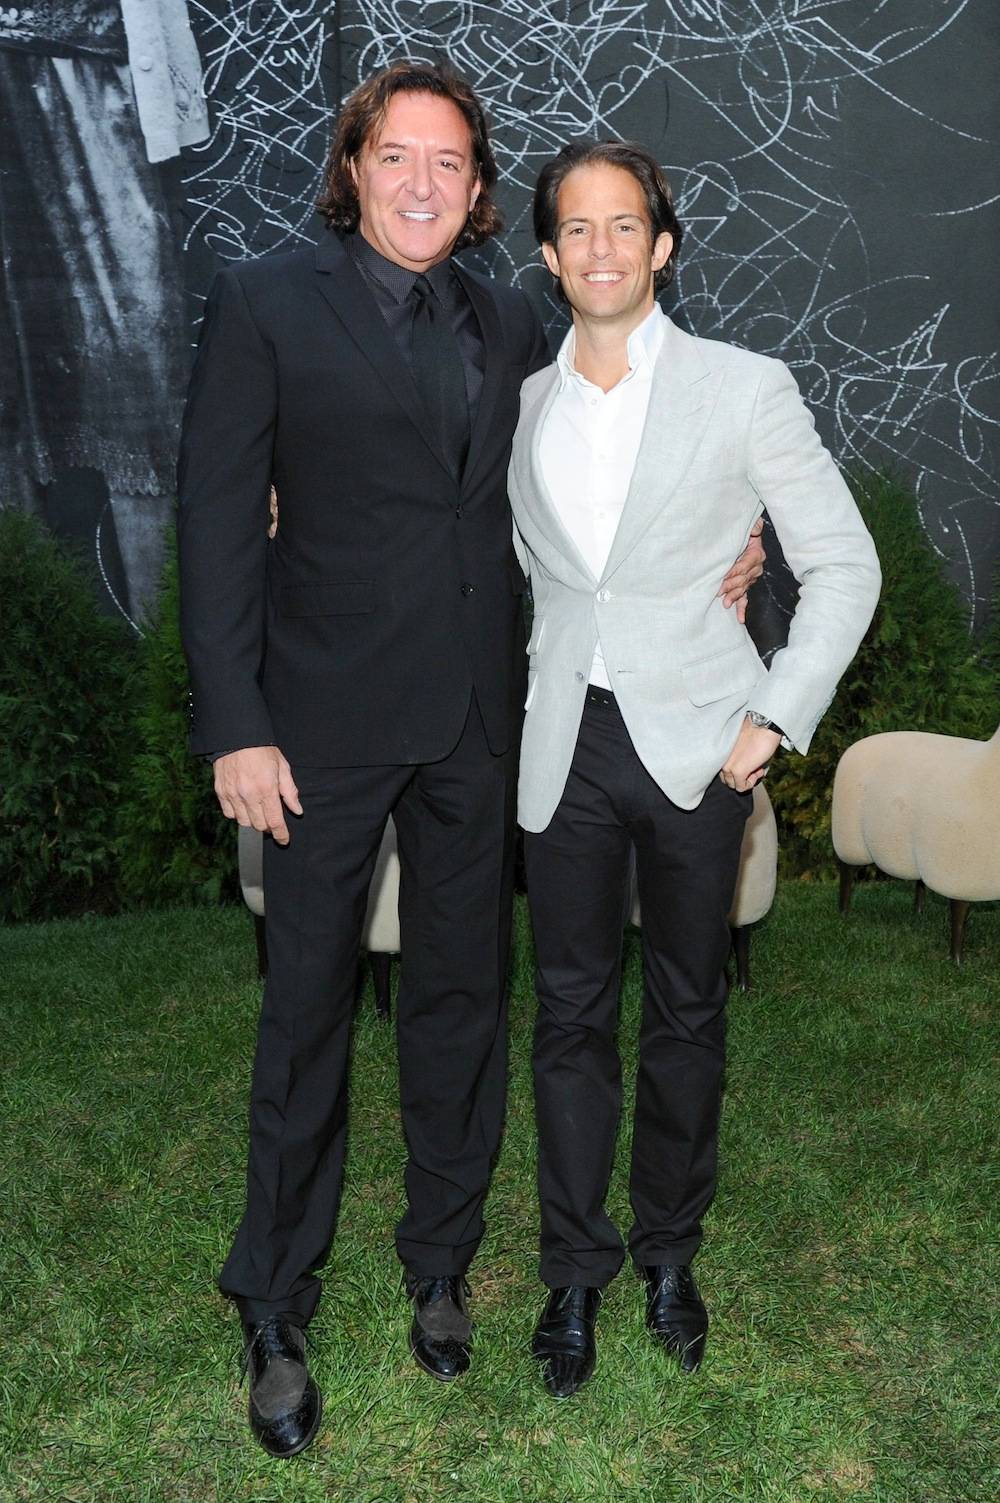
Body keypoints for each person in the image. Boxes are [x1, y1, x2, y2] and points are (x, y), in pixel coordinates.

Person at [178, 65, 764, 1457]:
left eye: (449, 162)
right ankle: (275, 1300)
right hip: (314, 733)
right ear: (354, 168)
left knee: (461, 1006)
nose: (423, 182)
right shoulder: (264, 303)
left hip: (479, 729)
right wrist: (236, 722)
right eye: (398, 156)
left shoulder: (513, 321)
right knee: (305, 1014)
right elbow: (215, 520)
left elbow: (606, 471)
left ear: (482, 189)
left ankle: (439, 1263)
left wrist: (731, 552)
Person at [508, 140, 881, 1399]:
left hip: (702, 748)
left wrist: (773, 718)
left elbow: (846, 563)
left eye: (625, 225)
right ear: (548, 254)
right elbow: (537, 573)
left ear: (661, 247)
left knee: (685, 1010)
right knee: (568, 1017)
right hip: (564, 744)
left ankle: (668, 1253)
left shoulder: (744, 387)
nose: (601, 248)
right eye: (576, 228)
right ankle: (574, 1272)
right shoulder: (525, 404)